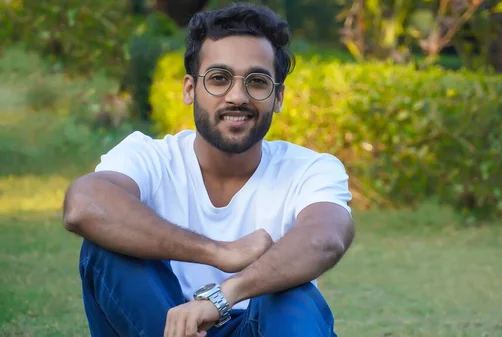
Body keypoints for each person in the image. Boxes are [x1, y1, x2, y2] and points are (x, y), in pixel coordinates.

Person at [62, 3, 355, 337]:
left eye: (257, 82)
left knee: (294, 294)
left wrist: (225, 295)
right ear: (190, 89)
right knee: (105, 247)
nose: (237, 96)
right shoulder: (149, 155)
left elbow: (326, 238)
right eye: (219, 78)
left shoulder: (311, 169)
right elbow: (83, 205)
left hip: (260, 327)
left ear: (278, 97)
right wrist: (221, 253)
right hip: (161, 327)